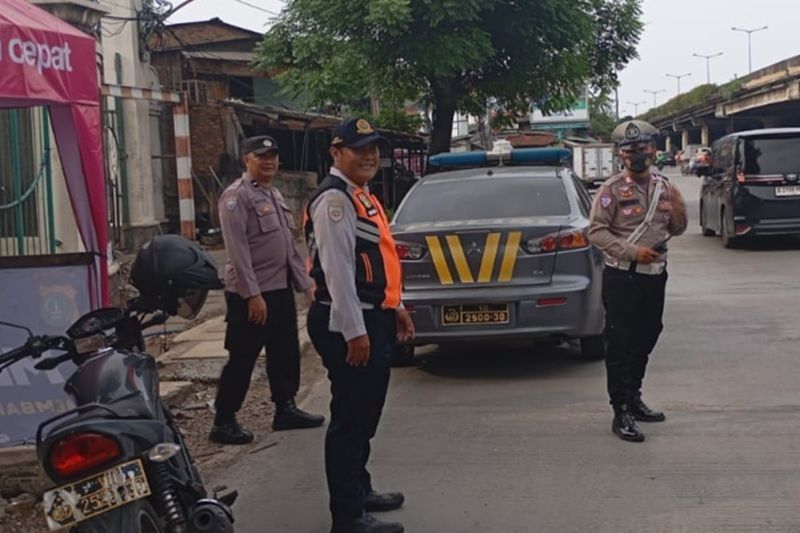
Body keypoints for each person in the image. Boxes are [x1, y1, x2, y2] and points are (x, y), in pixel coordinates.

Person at [305, 118, 415, 533]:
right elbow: (337, 272)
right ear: (336, 153)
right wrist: (354, 331)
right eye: (358, 149)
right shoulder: (334, 201)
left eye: (374, 148)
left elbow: (379, 260)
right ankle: (347, 517)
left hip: (374, 314)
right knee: (351, 418)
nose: (369, 155)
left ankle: (359, 489)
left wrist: (396, 304)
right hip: (348, 320)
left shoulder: (361, 195)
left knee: (366, 413)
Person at [210, 135, 325, 445]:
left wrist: (305, 285)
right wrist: (252, 295)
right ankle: (224, 420)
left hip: (279, 290)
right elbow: (238, 251)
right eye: (261, 156)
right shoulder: (236, 197)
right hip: (250, 295)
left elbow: (288, 247)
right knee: (243, 358)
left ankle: (285, 409)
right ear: (247, 159)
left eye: (273, 156)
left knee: (285, 353)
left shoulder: (274, 195)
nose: (269, 161)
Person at [588, 120, 688, 443]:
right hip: (622, 277)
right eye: (630, 150)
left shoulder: (665, 186)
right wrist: (632, 251)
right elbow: (597, 232)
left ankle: (634, 397)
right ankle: (621, 411)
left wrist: (678, 210)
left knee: (648, 335)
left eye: (642, 149)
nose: (637, 155)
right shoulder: (610, 191)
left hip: (655, 277)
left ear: (654, 151)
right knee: (620, 343)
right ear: (621, 154)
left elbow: (679, 226)